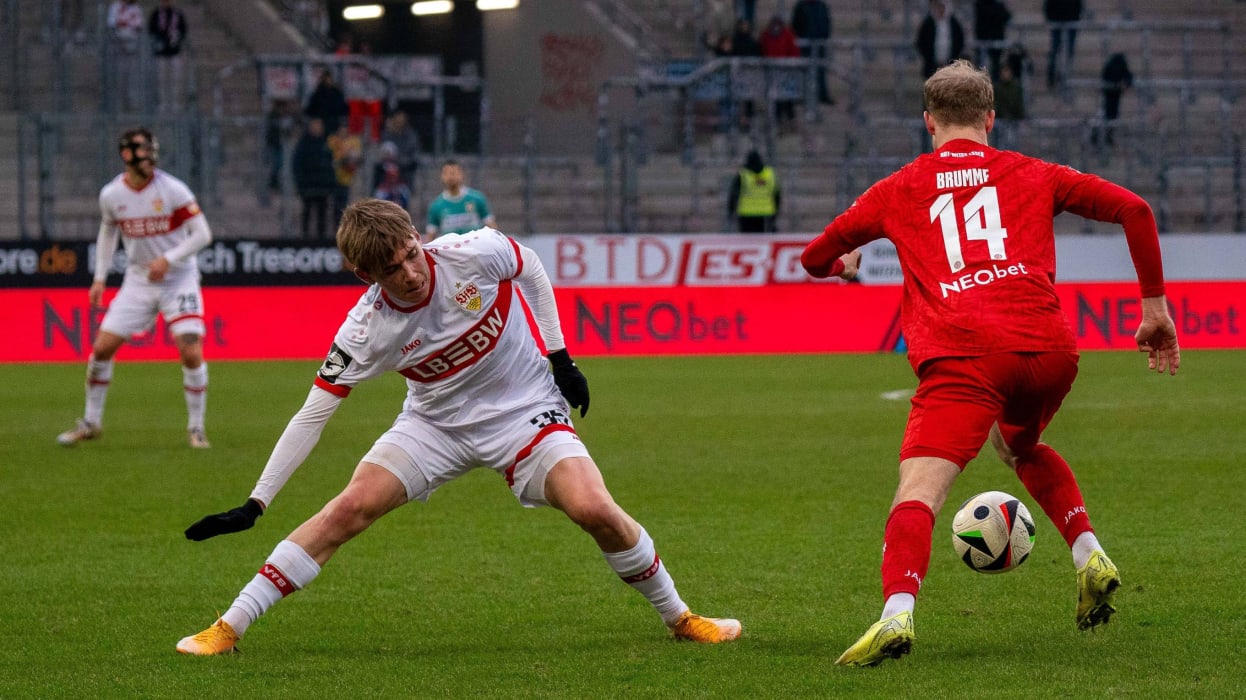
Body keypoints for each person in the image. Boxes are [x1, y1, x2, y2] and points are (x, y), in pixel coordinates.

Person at [175, 198, 743, 655]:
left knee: (594, 509)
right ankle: (228, 627)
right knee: (348, 509)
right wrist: (256, 502)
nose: (410, 272)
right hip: (434, 424)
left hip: (525, 409)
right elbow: (314, 412)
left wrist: (560, 356)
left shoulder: (475, 251)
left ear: (418, 237)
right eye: (391, 270)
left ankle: (680, 618)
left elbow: (532, 269)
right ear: (363, 274)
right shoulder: (364, 329)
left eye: (410, 254)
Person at [800, 60, 1180, 667]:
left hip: (965, 355)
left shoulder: (898, 187)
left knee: (918, 493)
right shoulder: (1035, 172)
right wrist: (1154, 307)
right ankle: (1089, 555)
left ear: (928, 121)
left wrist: (841, 270)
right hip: (1049, 349)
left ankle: (895, 615)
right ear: (990, 118)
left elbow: (813, 255)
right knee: (1019, 448)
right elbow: (1135, 209)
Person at [57, 127, 215, 449]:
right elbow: (108, 234)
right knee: (101, 349)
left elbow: (202, 234)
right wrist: (99, 278)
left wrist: (169, 259)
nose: (150, 157)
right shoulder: (112, 195)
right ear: (126, 154)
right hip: (139, 280)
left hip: (178, 277)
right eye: (143, 150)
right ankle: (91, 422)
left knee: (190, 350)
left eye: (151, 150)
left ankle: (196, 428)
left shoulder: (173, 189)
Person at [425, 160, 496, 241]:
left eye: (453, 173)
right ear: (441, 176)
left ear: (461, 175)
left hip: (475, 249)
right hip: (450, 251)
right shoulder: (436, 205)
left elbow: (492, 227)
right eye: (446, 173)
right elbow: (430, 235)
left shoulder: (477, 199)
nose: (450, 177)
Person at [291, 117, 337, 239]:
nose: (318, 128)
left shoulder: (325, 143)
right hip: (308, 186)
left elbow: (331, 165)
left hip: (322, 186)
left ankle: (321, 239)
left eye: (319, 125)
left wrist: (330, 183)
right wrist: (301, 183)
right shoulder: (303, 144)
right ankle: (305, 237)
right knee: (307, 212)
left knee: (322, 214)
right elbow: (297, 165)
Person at [759, 14, 801, 126]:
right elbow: (762, 50)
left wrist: (791, 65)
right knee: (775, 95)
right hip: (771, 71)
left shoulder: (788, 34)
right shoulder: (765, 35)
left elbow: (794, 51)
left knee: (788, 95)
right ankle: (777, 118)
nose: (775, 28)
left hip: (786, 70)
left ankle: (790, 117)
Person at [148, 0, 188, 113]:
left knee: (175, 79)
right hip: (160, 53)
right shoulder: (156, 13)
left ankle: (175, 103)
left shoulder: (177, 13)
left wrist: (176, 38)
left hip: (174, 52)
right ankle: (163, 103)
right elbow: (151, 29)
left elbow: (183, 30)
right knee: (161, 79)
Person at [790, 0, 833, 105]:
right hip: (805, 44)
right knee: (804, 71)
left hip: (819, 44)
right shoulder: (800, 6)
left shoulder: (822, 6)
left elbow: (827, 22)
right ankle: (802, 95)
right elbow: (795, 24)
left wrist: (824, 38)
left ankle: (822, 95)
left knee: (820, 72)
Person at [728, 149, 780, 232]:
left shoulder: (743, 174)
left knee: (747, 242)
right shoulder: (770, 173)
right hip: (766, 213)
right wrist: (776, 211)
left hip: (746, 214)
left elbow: (734, 194)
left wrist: (731, 210)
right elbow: (777, 194)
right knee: (764, 240)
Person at [106, 0, 145, 112]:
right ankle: (116, 106)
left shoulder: (136, 8)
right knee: (117, 77)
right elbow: (113, 24)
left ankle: (131, 106)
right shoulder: (115, 6)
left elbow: (138, 25)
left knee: (132, 78)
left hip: (132, 47)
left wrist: (126, 26)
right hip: (117, 46)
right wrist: (122, 29)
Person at [915, 0, 966, 80]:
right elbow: (921, 42)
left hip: (950, 64)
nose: (940, 10)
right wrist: (929, 57)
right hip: (932, 65)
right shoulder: (928, 23)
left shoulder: (953, 23)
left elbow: (960, 41)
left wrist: (953, 57)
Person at [1096, 53, 1133, 147]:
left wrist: (1125, 84)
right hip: (1109, 95)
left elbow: (1129, 77)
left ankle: (1107, 136)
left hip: (1114, 95)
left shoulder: (1115, 66)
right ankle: (1099, 136)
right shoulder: (1112, 67)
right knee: (1107, 115)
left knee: (1112, 116)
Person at [1044, 0, 1083, 89]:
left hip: (1070, 21)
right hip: (1058, 21)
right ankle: (1052, 76)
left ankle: (1065, 77)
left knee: (1068, 52)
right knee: (1055, 50)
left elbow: (1079, 5)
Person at [973, 0, 1011, 81]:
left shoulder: (980, 5)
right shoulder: (981, 6)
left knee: (991, 66)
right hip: (986, 40)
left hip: (991, 39)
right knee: (987, 66)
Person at [304, 68, 349, 136]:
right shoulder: (318, 93)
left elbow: (343, 108)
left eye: (329, 78)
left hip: (334, 122)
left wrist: (342, 120)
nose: (327, 81)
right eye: (325, 78)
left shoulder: (337, 93)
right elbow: (311, 109)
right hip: (321, 123)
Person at [371, 141, 411, 210]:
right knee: (379, 195)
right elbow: (377, 182)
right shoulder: (379, 167)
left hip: (397, 186)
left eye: (390, 154)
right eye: (386, 154)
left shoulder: (399, 166)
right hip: (384, 187)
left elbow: (403, 179)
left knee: (405, 193)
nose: (388, 156)